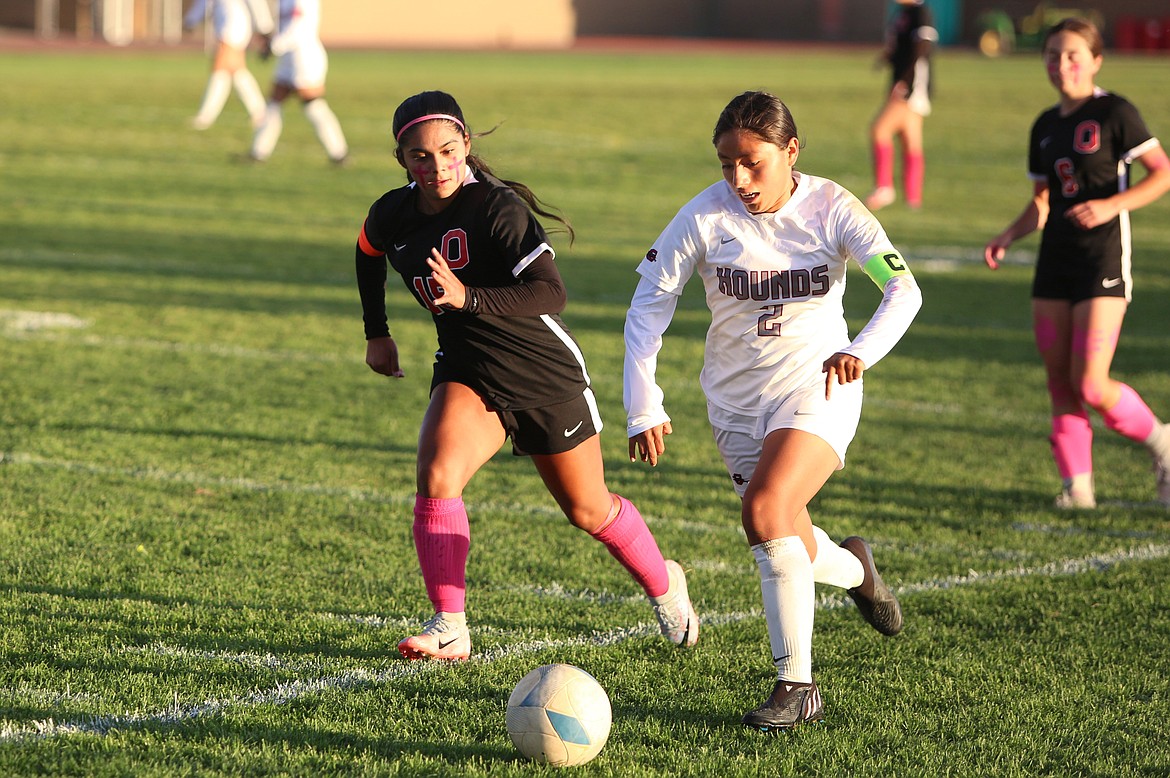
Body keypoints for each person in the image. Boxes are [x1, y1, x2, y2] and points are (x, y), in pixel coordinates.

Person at [354, 90, 699, 661]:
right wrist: (377, 332)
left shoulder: (496, 208)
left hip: (542, 374)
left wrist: (468, 298)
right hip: (468, 369)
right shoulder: (393, 212)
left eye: (446, 150)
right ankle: (450, 626)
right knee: (438, 472)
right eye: (419, 156)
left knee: (587, 511)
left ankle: (666, 585)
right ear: (401, 160)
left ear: (466, 144)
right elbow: (367, 251)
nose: (435, 166)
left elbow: (551, 293)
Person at [624, 91, 921, 730]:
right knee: (786, 531)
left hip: (819, 386)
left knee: (763, 512)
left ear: (790, 152)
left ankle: (797, 685)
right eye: (727, 164)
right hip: (732, 402)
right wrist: (642, 403)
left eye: (752, 163)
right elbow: (650, 302)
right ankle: (856, 571)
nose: (738, 180)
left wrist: (859, 352)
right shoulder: (705, 216)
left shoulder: (832, 207)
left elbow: (902, 287)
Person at [984, 18, 1170, 509]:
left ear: (1095, 60)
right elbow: (1042, 201)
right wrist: (1008, 235)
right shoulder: (1045, 125)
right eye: (1052, 55)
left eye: (1072, 55)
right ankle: (1078, 489)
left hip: (1102, 260)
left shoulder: (1115, 112)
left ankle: (1163, 443)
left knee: (1091, 381)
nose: (1061, 65)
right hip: (1054, 264)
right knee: (1059, 381)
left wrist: (1113, 205)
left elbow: (1162, 173)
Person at [250, 0, 348, 164]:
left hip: (304, 58)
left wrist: (273, 46)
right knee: (274, 103)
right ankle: (258, 152)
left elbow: (298, 29)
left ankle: (339, 153)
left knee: (312, 104)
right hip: (287, 58)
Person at [864, 0, 937, 211]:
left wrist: (905, 80)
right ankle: (913, 198)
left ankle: (885, 187)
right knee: (910, 139)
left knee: (880, 130)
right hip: (904, 83)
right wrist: (887, 58)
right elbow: (900, 47)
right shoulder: (901, 12)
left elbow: (922, 48)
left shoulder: (920, 13)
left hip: (912, 86)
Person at [183, 0, 273, 130]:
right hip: (224, 24)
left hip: (235, 25)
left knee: (220, 68)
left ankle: (206, 116)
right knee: (235, 71)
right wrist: (192, 19)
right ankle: (260, 112)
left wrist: (265, 28)